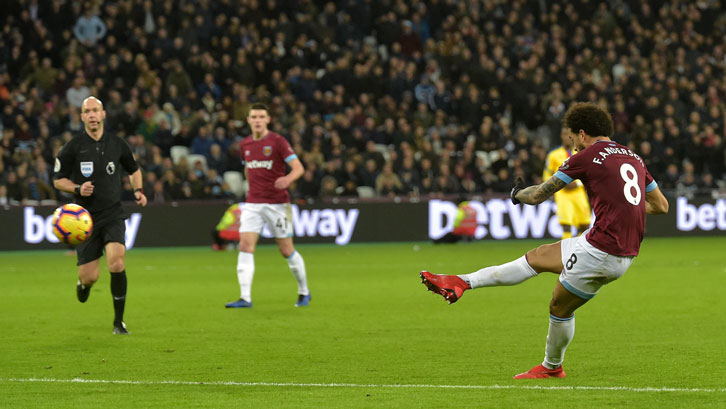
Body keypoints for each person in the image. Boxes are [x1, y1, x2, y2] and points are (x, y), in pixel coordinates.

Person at [420, 102, 669, 379]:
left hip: (602, 251)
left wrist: (516, 195)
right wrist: (623, 202)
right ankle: (462, 282)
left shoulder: (586, 156)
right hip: (617, 248)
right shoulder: (633, 157)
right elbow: (661, 206)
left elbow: (539, 194)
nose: (574, 145)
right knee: (538, 256)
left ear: (583, 133)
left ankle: (552, 367)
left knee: (559, 307)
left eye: (574, 139)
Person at [53, 96, 147, 335]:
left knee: (116, 261)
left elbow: (134, 170)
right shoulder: (73, 147)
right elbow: (57, 180)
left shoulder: (117, 144)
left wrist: (138, 190)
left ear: (103, 114)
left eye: (96, 110)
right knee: (90, 277)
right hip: (84, 219)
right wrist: (76, 188)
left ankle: (119, 322)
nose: (92, 115)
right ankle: (82, 284)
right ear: (82, 117)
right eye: (87, 111)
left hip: (113, 213)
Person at [225, 103, 310, 308]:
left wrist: (287, 180)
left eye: (261, 116)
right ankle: (245, 297)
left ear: (268, 120)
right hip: (253, 203)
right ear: (248, 120)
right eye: (253, 116)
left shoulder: (278, 142)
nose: (257, 120)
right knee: (245, 245)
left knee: (286, 250)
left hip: (277, 204)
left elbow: (298, 168)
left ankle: (303, 291)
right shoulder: (245, 145)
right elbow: (248, 170)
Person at [543, 128, 592, 238]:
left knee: (585, 224)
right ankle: (566, 252)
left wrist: (578, 184)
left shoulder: (581, 153)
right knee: (566, 225)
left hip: (579, 193)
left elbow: (589, 173)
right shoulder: (553, 155)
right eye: (565, 134)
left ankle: (579, 250)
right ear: (561, 136)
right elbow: (546, 174)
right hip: (562, 193)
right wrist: (553, 186)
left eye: (570, 135)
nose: (567, 138)